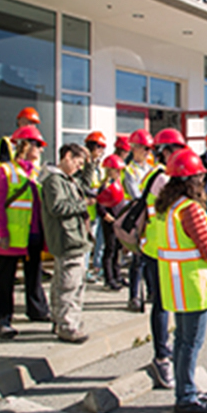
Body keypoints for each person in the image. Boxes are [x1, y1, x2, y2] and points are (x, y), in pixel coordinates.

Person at [154, 148, 207, 413]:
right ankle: (185, 397)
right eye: (199, 177)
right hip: (194, 284)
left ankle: (187, 390)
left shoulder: (166, 208)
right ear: (191, 180)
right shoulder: (190, 209)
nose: (203, 182)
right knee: (191, 342)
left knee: (182, 341)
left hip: (174, 285)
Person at [0, 126, 51, 338]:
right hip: (12, 236)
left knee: (34, 275)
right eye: (39, 145)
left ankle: (37, 310)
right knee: (4, 279)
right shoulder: (5, 171)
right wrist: (3, 233)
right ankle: (0, 320)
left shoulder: (34, 172)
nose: (41, 150)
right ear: (26, 145)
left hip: (33, 234)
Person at [138, 127, 186, 388]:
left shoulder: (156, 176)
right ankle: (162, 357)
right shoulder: (162, 179)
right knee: (162, 304)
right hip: (159, 250)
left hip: (162, 249)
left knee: (166, 303)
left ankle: (167, 355)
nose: (179, 157)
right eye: (176, 152)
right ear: (165, 152)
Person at [41, 143, 95, 343]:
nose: (79, 167)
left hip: (73, 237)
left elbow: (85, 183)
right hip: (67, 238)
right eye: (77, 162)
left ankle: (61, 320)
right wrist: (83, 204)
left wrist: (90, 163)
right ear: (67, 156)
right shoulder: (54, 181)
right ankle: (67, 325)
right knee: (69, 285)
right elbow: (56, 207)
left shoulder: (68, 180)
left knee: (66, 282)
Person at [123, 129, 154, 311]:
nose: (148, 152)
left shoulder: (151, 169)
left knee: (149, 257)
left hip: (150, 217)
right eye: (145, 148)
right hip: (137, 217)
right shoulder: (129, 170)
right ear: (135, 148)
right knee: (137, 260)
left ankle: (151, 291)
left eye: (149, 149)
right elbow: (136, 195)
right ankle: (134, 296)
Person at [96, 154, 126, 291]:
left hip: (118, 221)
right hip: (110, 222)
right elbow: (100, 207)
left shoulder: (119, 185)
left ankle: (117, 275)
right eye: (116, 170)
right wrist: (109, 219)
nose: (119, 173)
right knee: (110, 249)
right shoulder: (105, 186)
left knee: (117, 249)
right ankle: (109, 279)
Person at [84, 131, 107, 284]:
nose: (100, 152)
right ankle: (84, 270)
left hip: (99, 208)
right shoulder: (85, 166)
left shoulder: (99, 167)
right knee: (87, 242)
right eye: (99, 148)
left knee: (100, 241)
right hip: (88, 210)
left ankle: (97, 267)